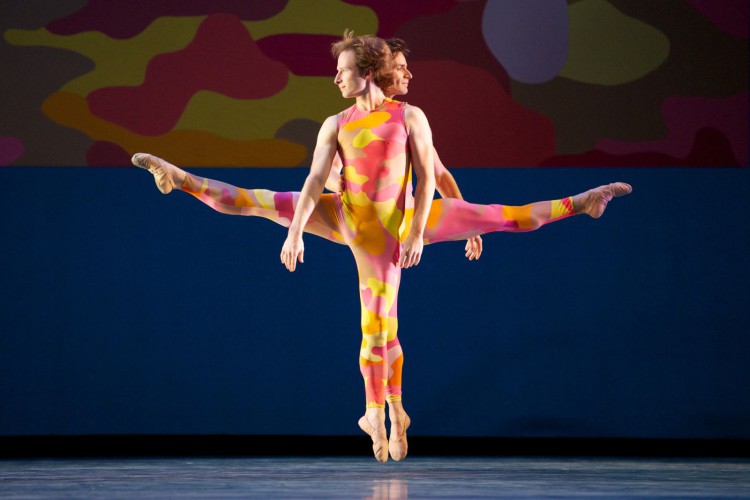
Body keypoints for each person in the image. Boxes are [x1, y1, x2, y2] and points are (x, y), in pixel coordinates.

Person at [132, 31, 631, 463]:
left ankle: (583, 201)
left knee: (504, 218)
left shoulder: (409, 117)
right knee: (258, 202)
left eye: (344, 70)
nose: (335, 79)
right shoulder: (337, 123)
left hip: (403, 225)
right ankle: (179, 178)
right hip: (352, 221)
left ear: (368, 72)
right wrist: (296, 229)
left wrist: (435, 228)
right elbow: (311, 182)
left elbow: (430, 175)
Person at [324, 38, 484, 261]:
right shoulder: (349, 119)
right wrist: (336, 182)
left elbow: (437, 174)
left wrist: (468, 222)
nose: (409, 74)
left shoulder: (406, 118)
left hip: (399, 228)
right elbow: (328, 172)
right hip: (363, 227)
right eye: (401, 68)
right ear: (380, 69)